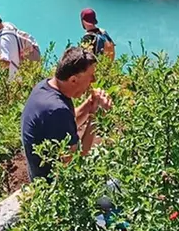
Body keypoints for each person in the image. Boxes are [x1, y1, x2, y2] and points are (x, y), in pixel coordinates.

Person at [20, 46, 111, 182]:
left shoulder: (46, 87)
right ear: (73, 80)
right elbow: (76, 161)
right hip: (53, 187)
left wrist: (89, 104)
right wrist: (95, 117)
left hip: (41, 176)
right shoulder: (57, 110)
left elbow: (67, 124)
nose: (94, 80)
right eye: (91, 76)